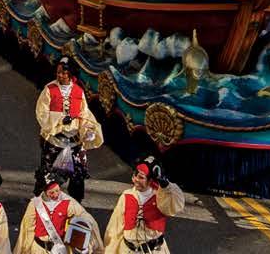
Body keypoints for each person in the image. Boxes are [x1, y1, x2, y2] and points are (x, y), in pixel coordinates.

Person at [33, 55, 102, 203]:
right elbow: (41, 113)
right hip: (55, 140)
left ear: (70, 74)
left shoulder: (78, 91)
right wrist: (59, 120)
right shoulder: (49, 90)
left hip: (74, 142)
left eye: (64, 73)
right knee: (48, 175)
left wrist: (88, 130)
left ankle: (76, 204)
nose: (60, 75)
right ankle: (42, 203)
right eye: (58, 72)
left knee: (77, 175)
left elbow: (84, 114)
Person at [102, 158, 185, 254]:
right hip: (128, 250)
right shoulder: (126, 196)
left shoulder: (161, 196)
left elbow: (175, 205)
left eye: (141, 177)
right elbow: (115, 226)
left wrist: (165, 184)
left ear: (150, 180)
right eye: (134, 175)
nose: (135, 180)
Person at [16, 174, 101, 254]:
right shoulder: (35, 204)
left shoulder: (68, 202)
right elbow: (27, 228)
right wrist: (24, 249)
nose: (56, 194)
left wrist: (88, 241)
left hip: (60, 248)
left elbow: (85, 217)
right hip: (38, 249)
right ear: (44, 191)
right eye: (51, 192)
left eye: (57, 190)